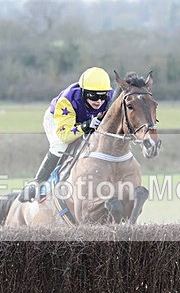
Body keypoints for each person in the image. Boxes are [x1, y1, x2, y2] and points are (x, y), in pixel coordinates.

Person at [18, 67, 114, 202]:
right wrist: (86, 126)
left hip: (84, 120)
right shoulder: (68, 100)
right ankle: (37, 183)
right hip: (58, 121)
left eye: (103, 96)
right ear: (84, 92)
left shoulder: (111, 98)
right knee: (60, 145)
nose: (99, 101)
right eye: (93, 96)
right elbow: (65, 136)